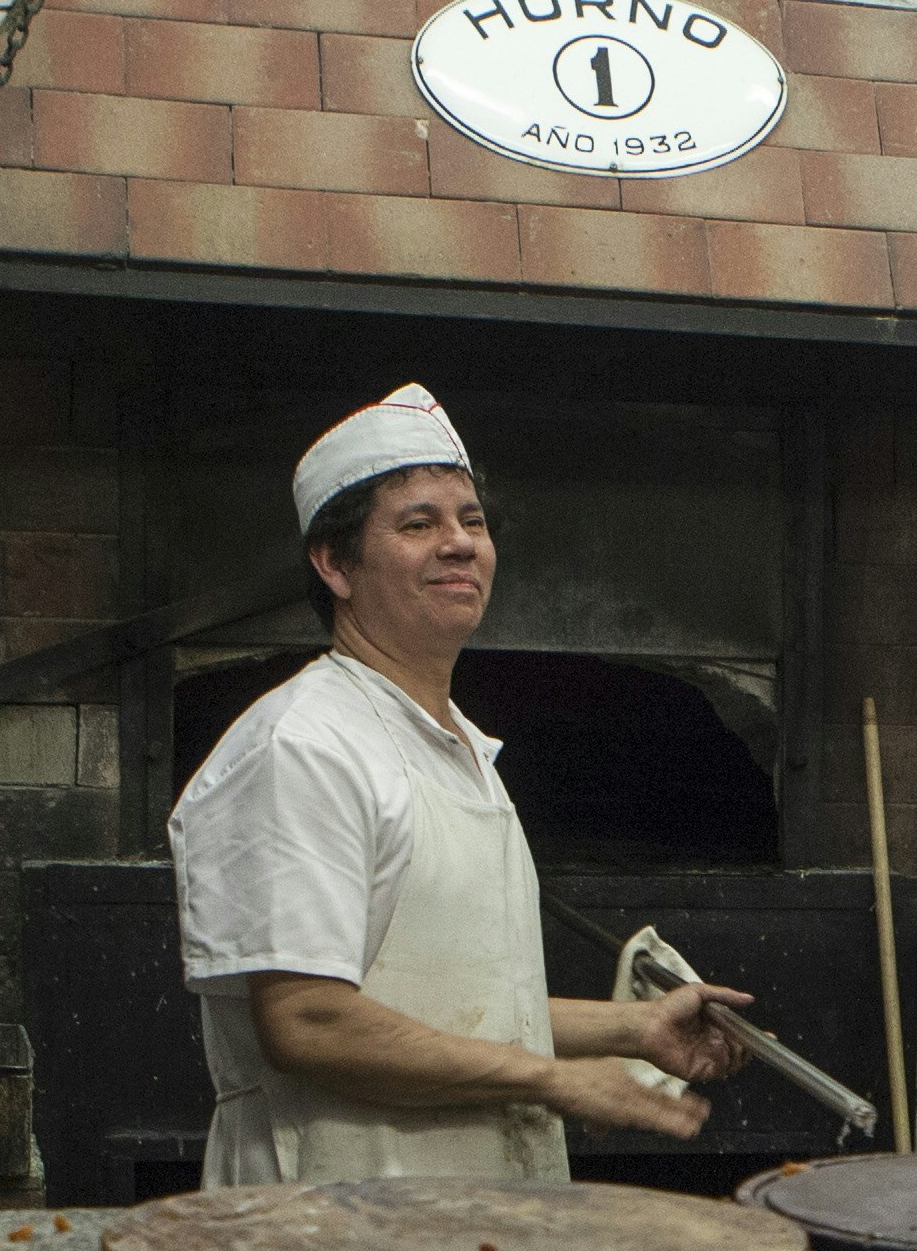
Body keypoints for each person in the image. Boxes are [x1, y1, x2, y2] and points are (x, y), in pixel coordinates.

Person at [165, 385, 752, 1183]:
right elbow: (308, 1021)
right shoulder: (304, 745)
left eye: (471, 521)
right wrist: (553, 1080)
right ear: (334, 564)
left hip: (465, 1214)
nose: (459, 544)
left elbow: (447, 1011)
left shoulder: (459, 749)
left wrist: (633, 1029)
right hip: (334, 1220)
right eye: (418, 523)